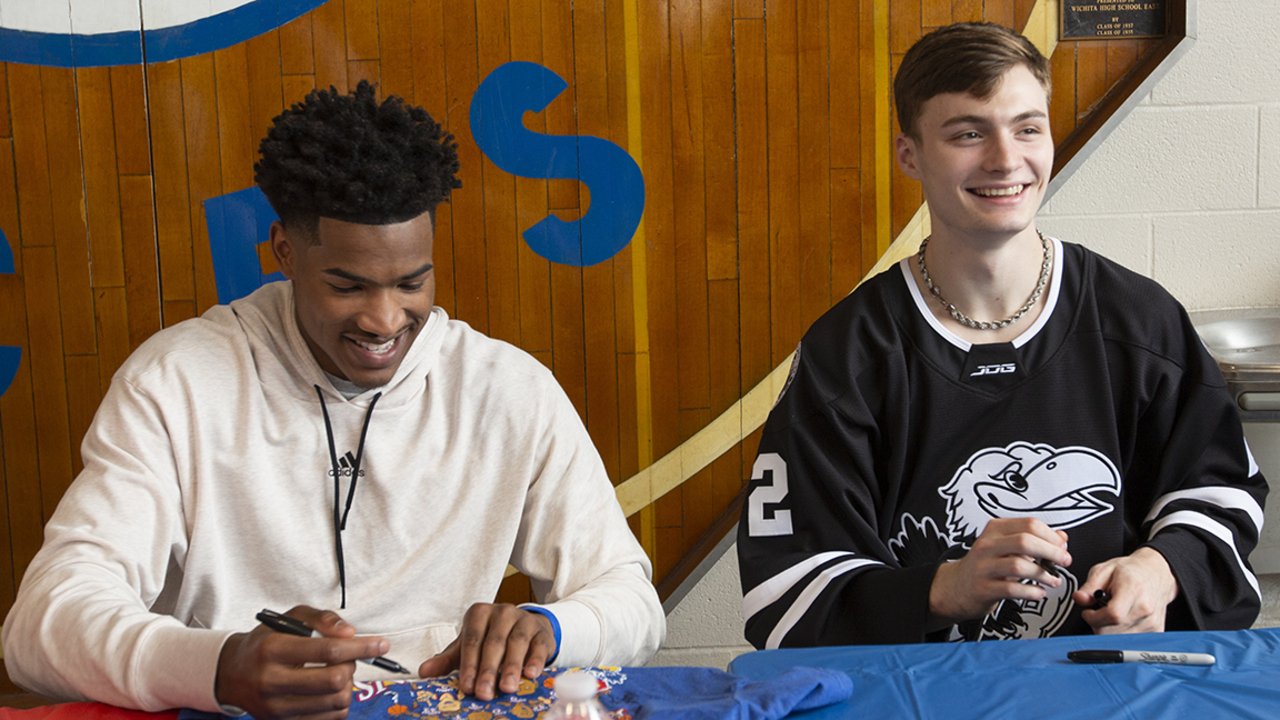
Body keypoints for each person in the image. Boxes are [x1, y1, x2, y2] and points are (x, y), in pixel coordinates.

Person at [2, 81, 664, 718]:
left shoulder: (507, 389)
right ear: (285, 253)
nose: (384, 319)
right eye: (347, 286)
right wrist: (219, 666)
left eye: (412, 282)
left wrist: (550, 628)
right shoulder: (176, 381)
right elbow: (41, 626)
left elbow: (632, 601)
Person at [737, 22, 1267, 648]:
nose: (1006, 159)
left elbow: (1222, 490)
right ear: (910, 154)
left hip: (1117, 689)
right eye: (968, 133)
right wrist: (942, 589)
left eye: (1027, 128)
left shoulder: (1138, 320)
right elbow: (785, 590)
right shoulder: (848, 354)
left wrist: (1161, 570)